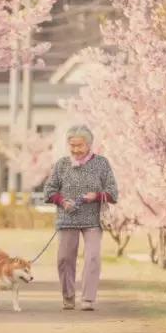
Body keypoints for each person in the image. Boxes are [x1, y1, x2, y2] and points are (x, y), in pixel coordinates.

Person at [43, 124, 118, 311]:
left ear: (89, 145)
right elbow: (49, 191)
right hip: (67, 218)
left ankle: (88, 299)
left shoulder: (102, 163)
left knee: (92, 257)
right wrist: (62, 201)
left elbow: (113, 192)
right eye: (72, 145)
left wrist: (96, 196)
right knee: (64, 259)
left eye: (80, 145)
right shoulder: (61, 164)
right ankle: (68, 297)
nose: (76, 149)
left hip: (93, 219)